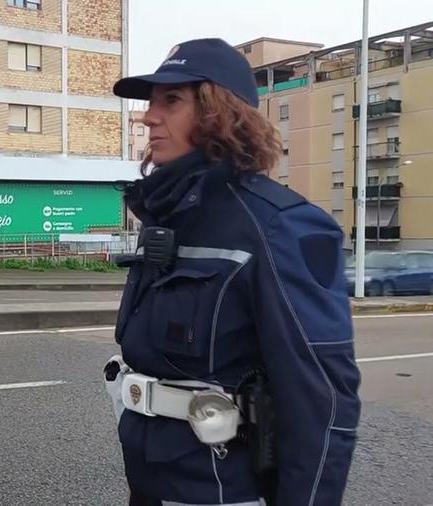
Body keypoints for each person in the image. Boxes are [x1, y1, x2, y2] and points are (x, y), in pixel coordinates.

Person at [105, 39, 361, 505]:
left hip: (224, 490)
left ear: (218, 113)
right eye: (150, 102)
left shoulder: (280, 227)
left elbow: (322, 402)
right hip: (152, 483)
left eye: (171, 101)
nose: (148, 117)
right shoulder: (170, 216)